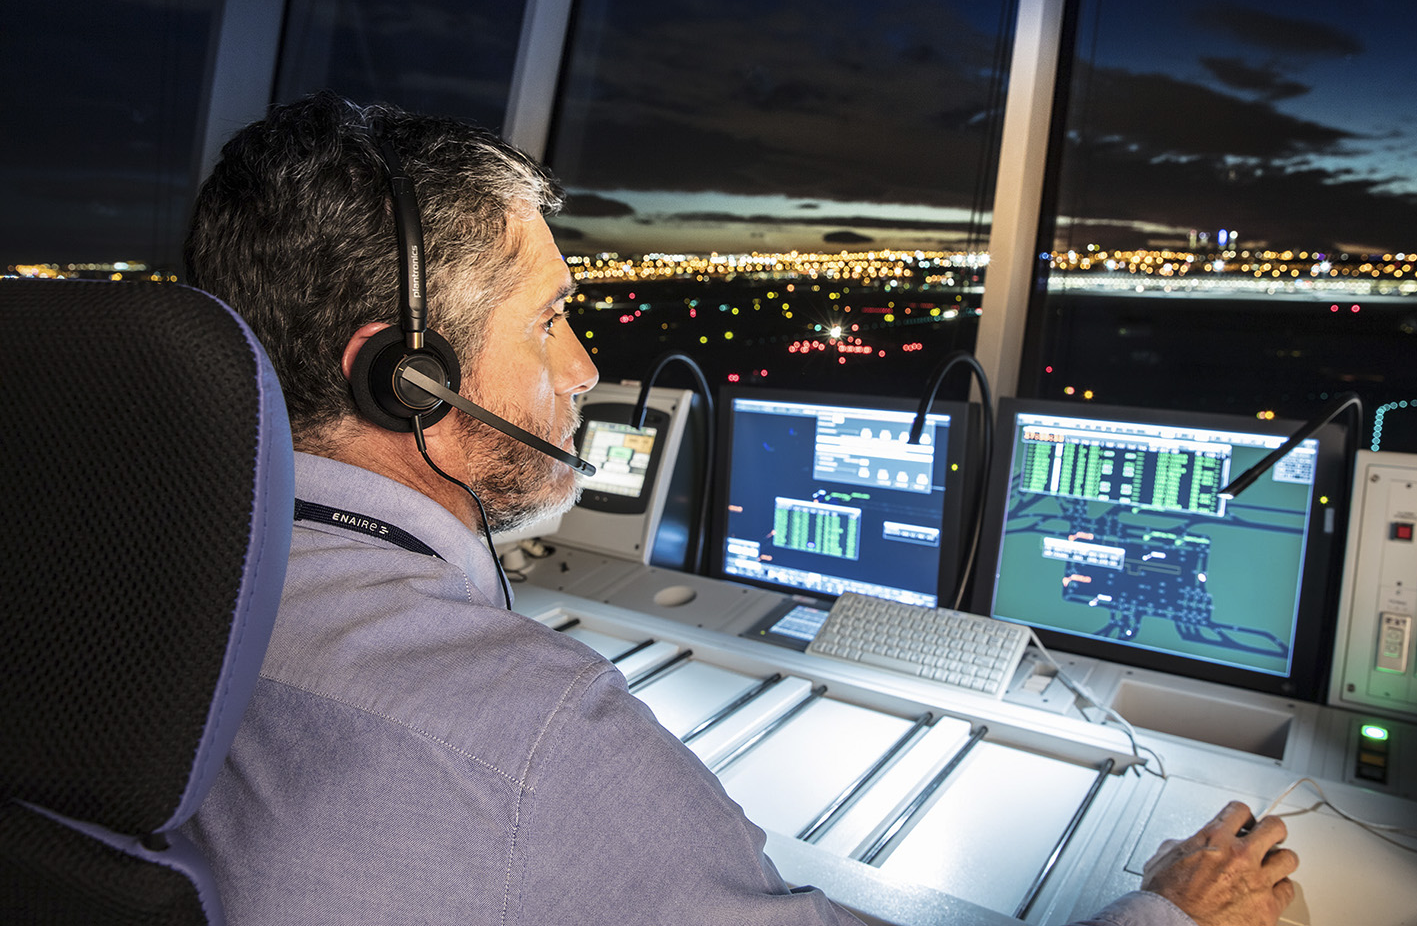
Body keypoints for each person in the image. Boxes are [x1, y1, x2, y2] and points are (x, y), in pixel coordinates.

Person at [183, 91, 1297, 926]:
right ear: (406, 379)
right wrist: (1176, 913)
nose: (582, 370)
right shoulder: (529, 731)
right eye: (549, 322)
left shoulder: (146, 584)